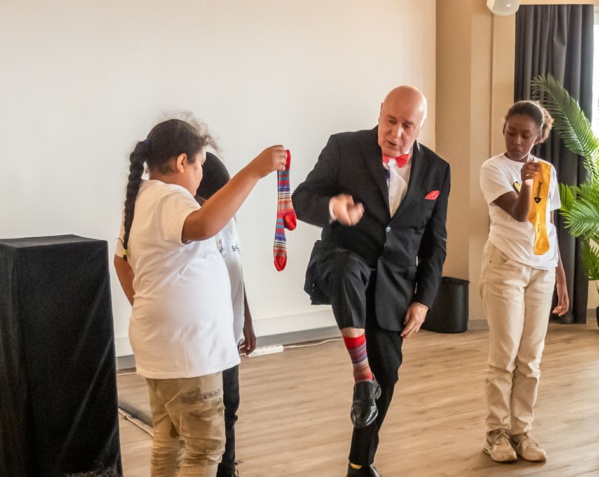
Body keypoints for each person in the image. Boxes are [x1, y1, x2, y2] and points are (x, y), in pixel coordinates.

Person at [292, 85, 451, 477]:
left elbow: (435, 242)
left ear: (421, 127)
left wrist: (423, 299)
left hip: (394, 286)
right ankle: (359, 371)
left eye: (407, 126)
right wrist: (332, 206)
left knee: (387, 378)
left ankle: (360, 463)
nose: (396, 133)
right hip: (341, 262)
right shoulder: (344, 147)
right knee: (348, 269)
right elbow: (301, 198)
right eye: (390, 121)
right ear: (380, 112)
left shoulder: (437, 170)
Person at [113, 118, 286, 476]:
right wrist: (254, 172)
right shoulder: (169, 197)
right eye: (200, 165)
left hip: (166, 347)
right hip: (187, 352)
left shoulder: (143, 197)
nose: (200, 173)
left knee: (169, 439)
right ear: (181, 162)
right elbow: (203, 226)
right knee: (205, 447)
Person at [479, 100, 569, 463]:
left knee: (531, 359)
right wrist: (528, 179)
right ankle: (496, 432)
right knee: (504, 355)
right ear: (504, 129)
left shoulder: (547, 169)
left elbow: (546, 225)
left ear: (539, 136)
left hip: (542, 270)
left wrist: (561, 276)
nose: (516, 141)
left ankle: (522, 431)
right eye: (511, 132)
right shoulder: (493, 168)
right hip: (505, 266)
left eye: (525, 135)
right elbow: (519, 214)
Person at [196, 152, 256, 477]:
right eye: (215, 198)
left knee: (230, 410)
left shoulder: (229, 221)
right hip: (207, 344)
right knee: (210, 418)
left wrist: (246, 320)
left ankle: (228, 470)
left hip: (230, 339)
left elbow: (236, 271)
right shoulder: (197, 230)